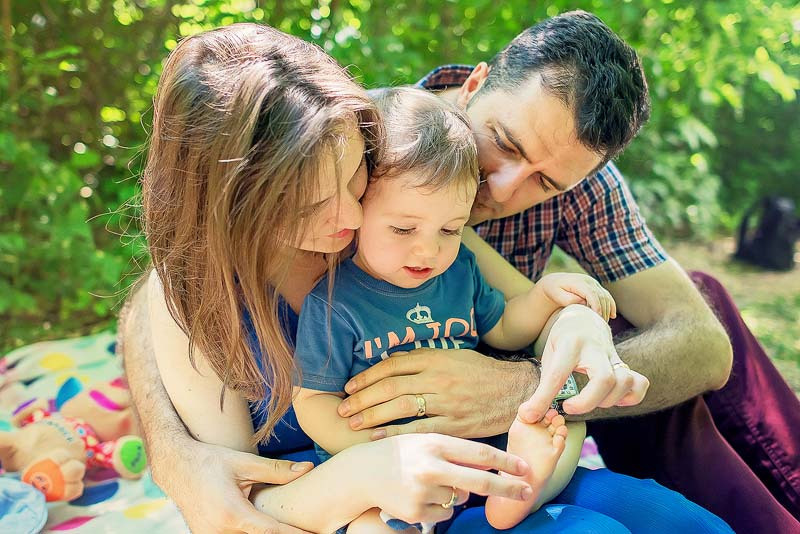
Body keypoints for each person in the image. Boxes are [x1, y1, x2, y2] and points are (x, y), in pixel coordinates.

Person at [121, 19, 735, 534]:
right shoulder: (206, 290)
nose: (350, 213)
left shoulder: (404, 219)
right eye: (310, 203)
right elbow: (236, 497)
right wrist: (176, 457)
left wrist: (576, 324)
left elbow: (521, 308)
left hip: (484, 468)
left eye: (355, 180)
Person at [291, 87, 642, 532]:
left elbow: (504, 331)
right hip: (387, 470)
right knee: (368, 528)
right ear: (358, 208)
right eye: (403, 228)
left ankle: (519, 491)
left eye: (451, 229)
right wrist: (373, 452)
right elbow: (313, 401)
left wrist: (546, 296)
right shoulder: (336, 303)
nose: (429, 248)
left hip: (474, 446)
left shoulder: (459, 270)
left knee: (567, 423)